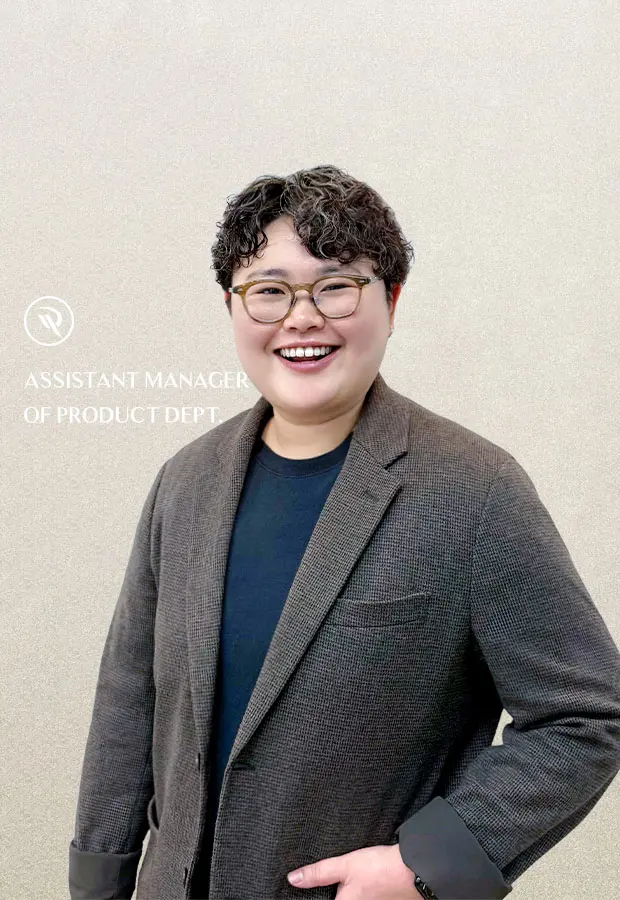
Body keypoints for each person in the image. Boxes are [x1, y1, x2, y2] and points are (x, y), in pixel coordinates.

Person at [69, 165, 620, 900]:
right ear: (232, 307)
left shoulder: (474, 488)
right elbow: (128, 701)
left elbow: (585, 714)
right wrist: (99, 881)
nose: (301, 318)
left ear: (391, 302)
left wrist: (426, 864)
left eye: (336, 286)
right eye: (268, 291)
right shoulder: (186, 481)